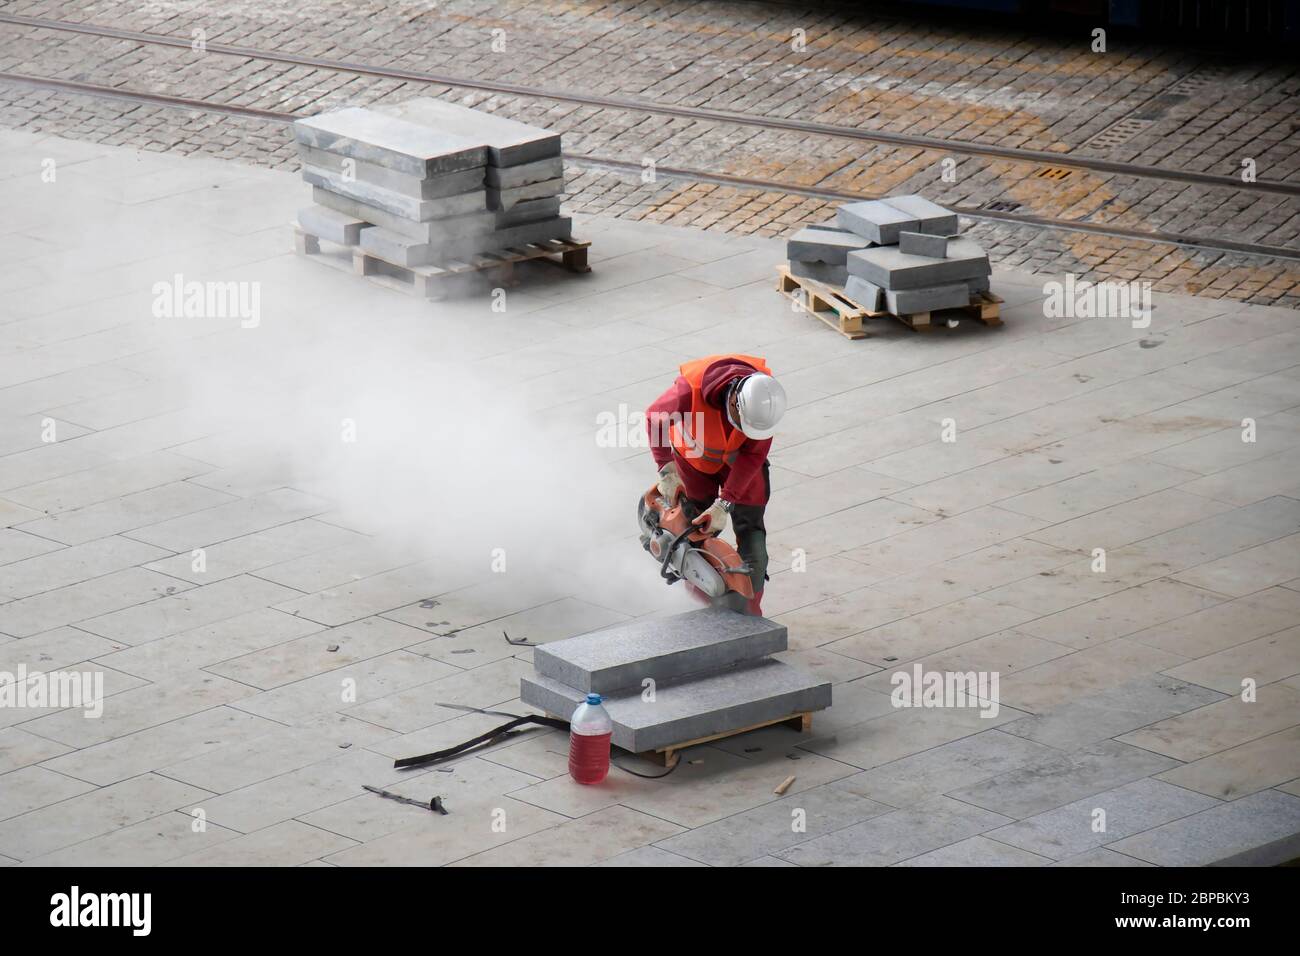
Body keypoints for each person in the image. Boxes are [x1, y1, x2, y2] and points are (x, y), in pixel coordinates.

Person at [645, 354, 787, 616]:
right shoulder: (690, 391)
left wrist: (725, 503)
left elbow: (754, 455)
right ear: (734, 400)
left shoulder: (765, 403)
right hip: (694, 462)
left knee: (752, 534)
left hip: (741, 464)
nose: (746, 430)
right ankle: (701, 608)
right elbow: (655, 418)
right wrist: (665, 468)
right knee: (693, 532)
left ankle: (751, 615)